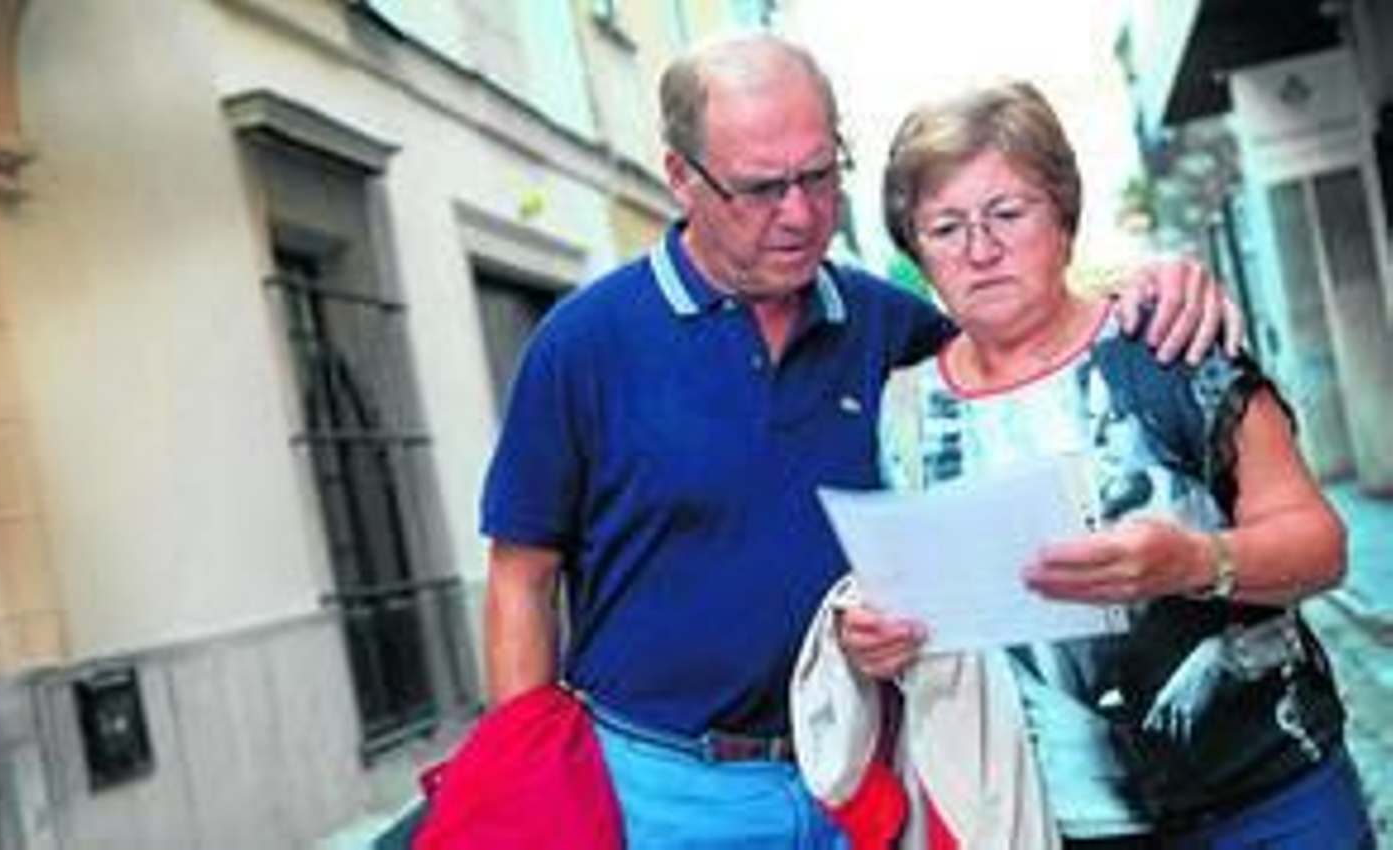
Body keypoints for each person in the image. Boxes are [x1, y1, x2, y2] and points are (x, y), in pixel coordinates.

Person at [480, 32, 1239, 847]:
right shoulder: (583, 343)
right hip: (661, 795)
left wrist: (1151, 288)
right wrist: (530, 792)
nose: (801, 215)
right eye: (761, 188)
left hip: (864, 779)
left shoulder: (895, 328)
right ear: (680, 179)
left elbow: (1026, 339)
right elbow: (520, 581)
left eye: (818, 175)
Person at [829, 79, 1372, 847]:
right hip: (1070, 820)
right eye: (945, 227)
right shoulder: (904, 410)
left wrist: (1193, 561)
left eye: (1007, 214)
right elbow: (934, 615)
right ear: (916, 248)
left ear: (1063, 215)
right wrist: (878, 641)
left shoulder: (1173, 345)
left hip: (1273, 797)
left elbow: (1322, 546)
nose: (980, 250)